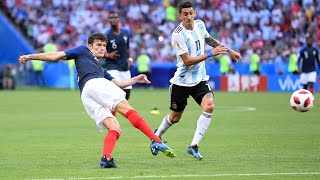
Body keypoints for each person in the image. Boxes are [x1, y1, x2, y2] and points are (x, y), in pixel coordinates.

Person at [19, 32, 176, 169]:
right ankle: (155, 140)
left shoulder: (100, 68)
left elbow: (118, 83)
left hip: (87, 95)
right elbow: (55, 55)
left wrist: (135, 79)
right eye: (98, 45)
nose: (102, 48)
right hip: (94, 85)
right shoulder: (82, 51)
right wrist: (31, 56)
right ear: (90, 46)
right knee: (126, 107)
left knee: (114, 128)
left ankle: (106, 158)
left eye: (104, 45)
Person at [152, 1, 242, 160]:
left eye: (190, 13)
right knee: (175, 118)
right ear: (179, 16)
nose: (188, 17)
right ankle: (156, 136)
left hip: (200, 79)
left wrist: (230, 51)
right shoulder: (178, 35)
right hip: (182, 82)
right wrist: (210, 54)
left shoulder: (200, 25)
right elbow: (187, 60)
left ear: (194, 13)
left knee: (209, 106)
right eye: (184, 14)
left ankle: (193, 146)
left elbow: (209, 40)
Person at [104, 11, 133, 100]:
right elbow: (99, 52)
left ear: (118, 19)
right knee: (115, 90)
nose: (114, 19)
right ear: (109, 20)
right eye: (111, 18)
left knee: (126, 94)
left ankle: (116, 110)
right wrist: (109, 55)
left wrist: (130, 59)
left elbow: (128, 47)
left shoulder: (126, 32)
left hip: (124, 66)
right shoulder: (106, 35)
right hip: (112, 66)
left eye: (115, 17)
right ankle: (109, 112)